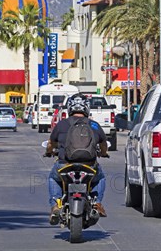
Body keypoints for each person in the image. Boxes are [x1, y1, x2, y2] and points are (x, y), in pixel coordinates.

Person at [44, 93, 109, 225]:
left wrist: (48, 152)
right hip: (89, 166)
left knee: (53, 177)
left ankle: (56, 204)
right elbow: (103, 144)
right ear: (87, 108)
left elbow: (51, 143)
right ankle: (96, 203)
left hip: (64, 165)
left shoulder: (62, 124)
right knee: (100, 177)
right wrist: (103, 153)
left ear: (69, 108)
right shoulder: (94, 125)